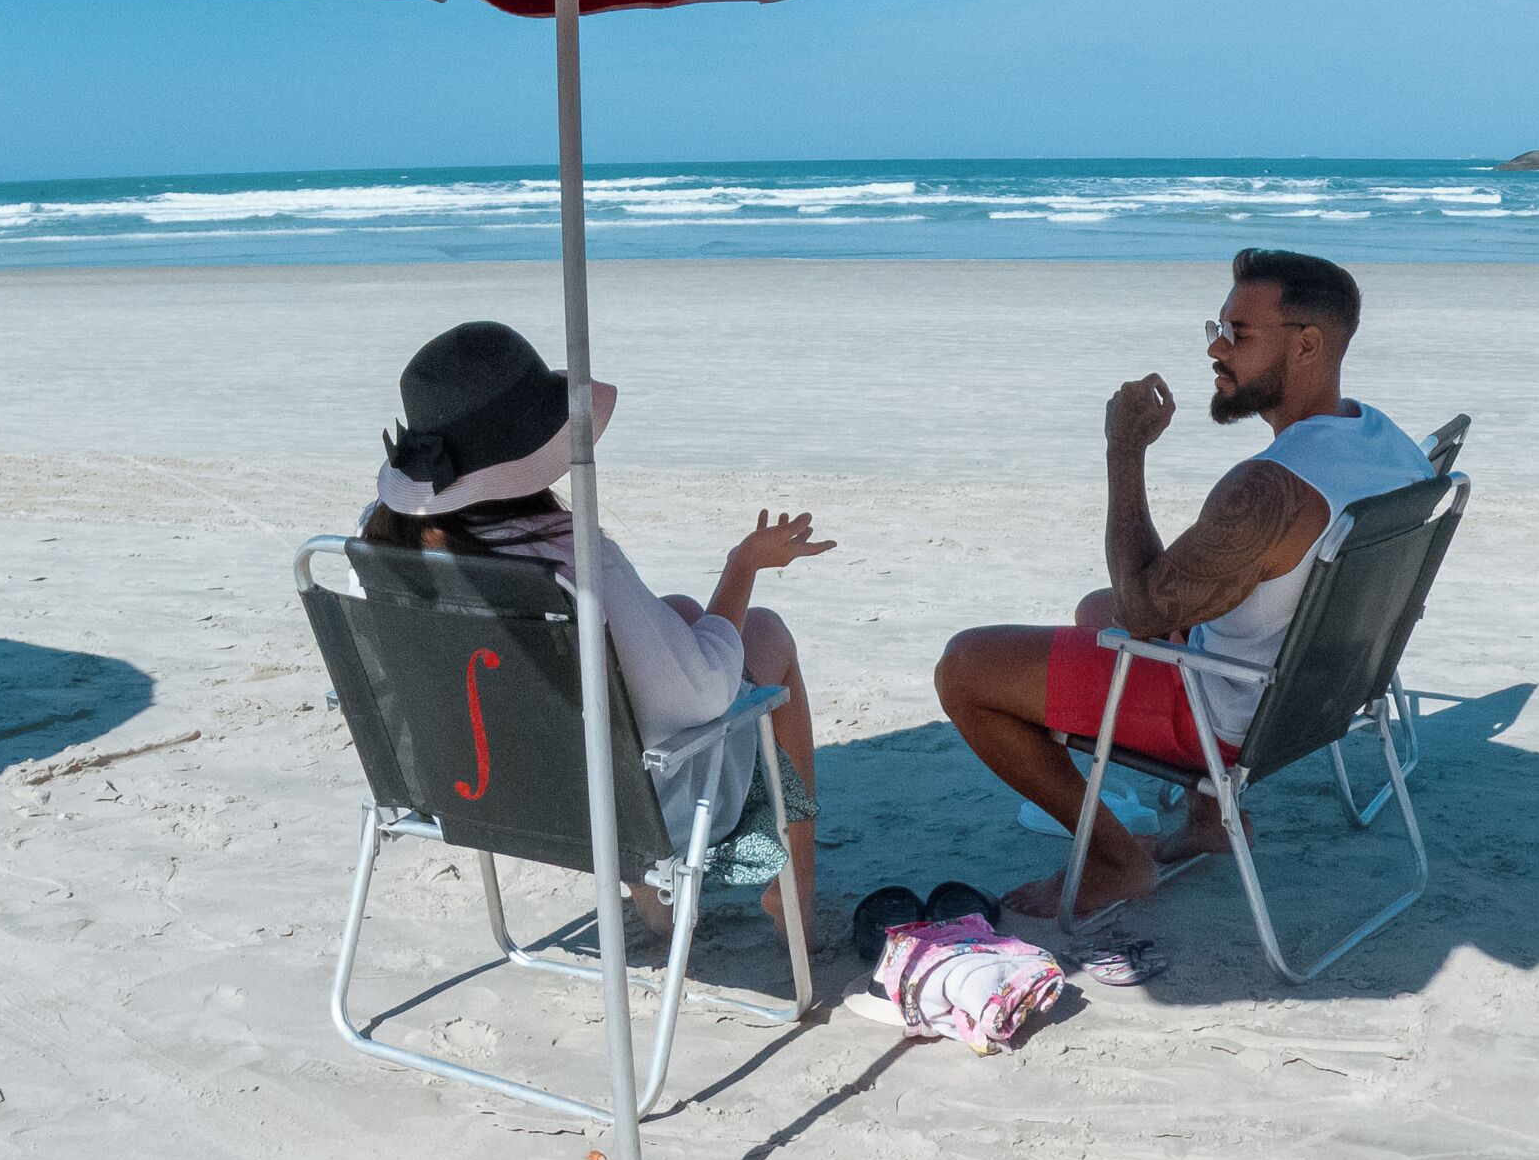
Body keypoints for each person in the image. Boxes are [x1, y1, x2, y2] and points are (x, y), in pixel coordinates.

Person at [934, 248, 1432, 923]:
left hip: (1232, 718)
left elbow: (1142, 610)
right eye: (1217, 328)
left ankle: (1116, 859)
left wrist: (1124, 451)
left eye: (1238, 334)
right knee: (1093, 609)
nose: (1216, 349)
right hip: (1316, 698)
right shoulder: (1390, 443)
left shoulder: (1270, 490)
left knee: (964, 667)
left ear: (1308, 343)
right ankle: (1209, 821)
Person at [359, 320, 830, 936]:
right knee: (766, 633)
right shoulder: (574, 561)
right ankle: (797, 884)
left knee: (683, 612)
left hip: (473, 787)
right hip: (615, 813)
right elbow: (708, 692)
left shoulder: (385, 543)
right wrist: (744, 566)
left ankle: (660, 908)